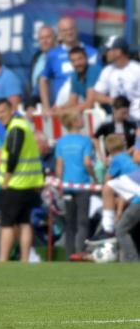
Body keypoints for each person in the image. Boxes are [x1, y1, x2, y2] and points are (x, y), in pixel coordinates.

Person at [0, 99, 44, 262]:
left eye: (2, 111)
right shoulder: (22, 125)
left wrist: (6, 180)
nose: (0, 116)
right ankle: (24, 259)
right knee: (24, 222)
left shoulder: (16, 128)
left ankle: (3, 260)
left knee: (7, 224)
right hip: (29, 183)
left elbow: (14, 155)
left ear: (11, 109)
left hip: (16, 183)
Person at [55, 110, 97, 258]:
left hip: (67, 185)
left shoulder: (60, 142)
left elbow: (59, 166)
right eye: (79, 117)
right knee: (82, 222)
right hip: (82, 185)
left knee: (70, 223)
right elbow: (87, 162)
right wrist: (95, 177)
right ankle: (79, 253)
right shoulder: (85, 141)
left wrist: (60, 184)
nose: (82, 120)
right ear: (74, 122)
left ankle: (69, 254)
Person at [94, 36, 140, 122]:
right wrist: (112, 101)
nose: (105, 53)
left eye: (108, 50)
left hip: (137, 118)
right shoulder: (107, 71)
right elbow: (96, 95)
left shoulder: (137, 69)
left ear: (118, 52)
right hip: (118, 119)